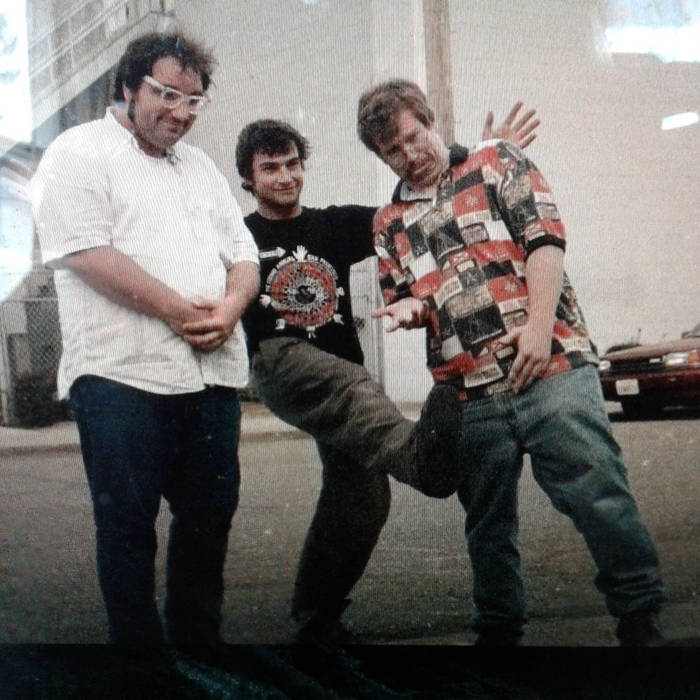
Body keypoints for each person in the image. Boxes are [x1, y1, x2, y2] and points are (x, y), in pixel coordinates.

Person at [357, 79, 666, 646]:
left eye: (413, 136)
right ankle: (499, 632)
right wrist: (409, 310)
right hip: (472, 392)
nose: (409, 154)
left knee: (598, 495)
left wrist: (539, 327)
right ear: (381, 157)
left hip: (552, 369)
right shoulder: (388, 223)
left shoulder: (496, 160)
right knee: (487, 525)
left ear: (430, 120)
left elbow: (543, 239)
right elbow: (410, 295)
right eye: (392, 151)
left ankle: (639, 616)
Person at [235, 107, 537, 644]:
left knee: (363, 494)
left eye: (292, 164)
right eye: (270, 169)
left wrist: (483, 159)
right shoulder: (239, 235)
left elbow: (419, 211)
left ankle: (316, 617)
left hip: (341, 369)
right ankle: (425, 463)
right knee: (355, 389)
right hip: (282, 360)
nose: (285, 177)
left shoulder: (333, 223)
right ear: (248, 179)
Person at [31, 32, 260, 650]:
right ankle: (137, 664)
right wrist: (179, 312)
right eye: (166, 94)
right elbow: (84, 252)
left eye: (194, 100)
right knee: (127, 526)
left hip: (210, 376)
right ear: (129, 87)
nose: (181, 112)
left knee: (209, 519)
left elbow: (244, 254)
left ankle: (196, 649)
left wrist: (231, 307)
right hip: (120, 376)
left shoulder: (201, 168)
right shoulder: (78, 152)